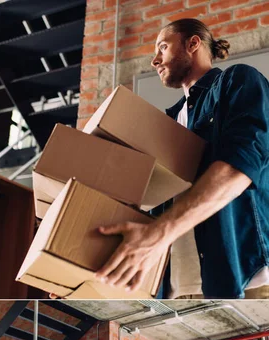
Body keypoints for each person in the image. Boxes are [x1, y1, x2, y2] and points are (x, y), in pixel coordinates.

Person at [94, 18, 269, 299]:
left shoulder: (238, 81)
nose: (154, 60)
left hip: (245, 279)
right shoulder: (167, 123)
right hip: (177, 288)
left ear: (192, 44)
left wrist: (159, 233)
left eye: (162, 47)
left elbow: (240, 167)